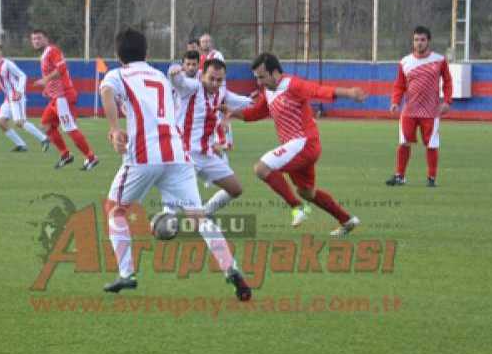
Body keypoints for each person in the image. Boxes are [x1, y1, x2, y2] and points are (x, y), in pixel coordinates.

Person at [99, 28, 251, 300]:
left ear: (118, 55)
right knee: (199, 217)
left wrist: (114, 128)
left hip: (145, 154)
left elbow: (107, 91)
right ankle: (231, 268)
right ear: (146, 53)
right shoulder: (158, 75)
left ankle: (126, 273)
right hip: (178, 154)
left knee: (115, 210)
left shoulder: (117, 74)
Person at [226, 52, 367, 237]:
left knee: (261, 168)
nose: (259, 82)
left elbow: (317, 90)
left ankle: (297, 208)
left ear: (275, 72)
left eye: (261, 77)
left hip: (304, 143)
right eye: (256, 78)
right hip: (296, 148)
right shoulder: (268, 91)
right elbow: (255, 113)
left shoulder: (292, 84)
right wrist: (231, 112)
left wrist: (348, 93)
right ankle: (347, 221)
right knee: (307, 192)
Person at [169, 57, 250, 216]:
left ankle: (206, 213)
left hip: (207, 154)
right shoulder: (193, 87)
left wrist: (264, 102)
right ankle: (166, 219)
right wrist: (174, 72)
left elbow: (244, 102)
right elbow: (179, 82)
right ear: (202, 75)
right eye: (211, 78)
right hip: (185, 154)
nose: (214, 83)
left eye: (219, 80)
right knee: (180, 198)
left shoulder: (221, 92)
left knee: (235, 189)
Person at [386, 26, 452, 187]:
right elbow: (399, 85)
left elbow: (448, 81)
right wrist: (395, 102)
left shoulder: (439, 60)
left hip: (431, 111)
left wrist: (447, 101)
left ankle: (431, 178)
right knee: (404, 142)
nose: (419, 43)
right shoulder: (405, 62)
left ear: (428, 41)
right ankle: (400, 176)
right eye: (416, 40)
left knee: (431, 144)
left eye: (422, 40)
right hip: (409, 111)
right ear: (413, 41)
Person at [29, 29, 99, 170]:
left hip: (63, 97)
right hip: (56, 97)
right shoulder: (44, 55)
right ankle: (65, 155)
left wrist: (45, 80)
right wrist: (47, 88)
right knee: (46, 125)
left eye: (39, 38)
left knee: (69, 128)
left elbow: (61, 68)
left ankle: (91, 158)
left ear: (46, 39)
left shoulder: (52, 50)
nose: (36, 41)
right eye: (34, 39)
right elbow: (55, 75)